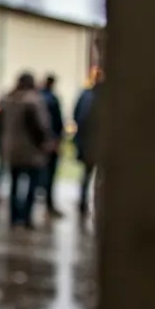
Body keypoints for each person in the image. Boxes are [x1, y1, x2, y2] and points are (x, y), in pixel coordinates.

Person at [0, 73, 55, 229]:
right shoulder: (34, 101)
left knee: (14, 184)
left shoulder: (7, 100)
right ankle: (27, 217)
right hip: (31, 150)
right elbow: (39, 126)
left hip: (11, 148)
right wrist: (45, 143)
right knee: (32, 185)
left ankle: (14, 217)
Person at [73, 67, 103, 217]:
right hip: (96, 142)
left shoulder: (85, 95)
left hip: (87, 142)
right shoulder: (102, 98)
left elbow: (77, 117)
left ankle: (83, 202)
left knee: (87, 174)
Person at [39, 74, 66, 218]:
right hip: (50, 142)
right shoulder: (52, 100)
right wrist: (57, 141)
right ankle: (48, 204)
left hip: (38, 145)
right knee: (49, 175)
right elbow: (58, 123)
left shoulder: (37, 98)